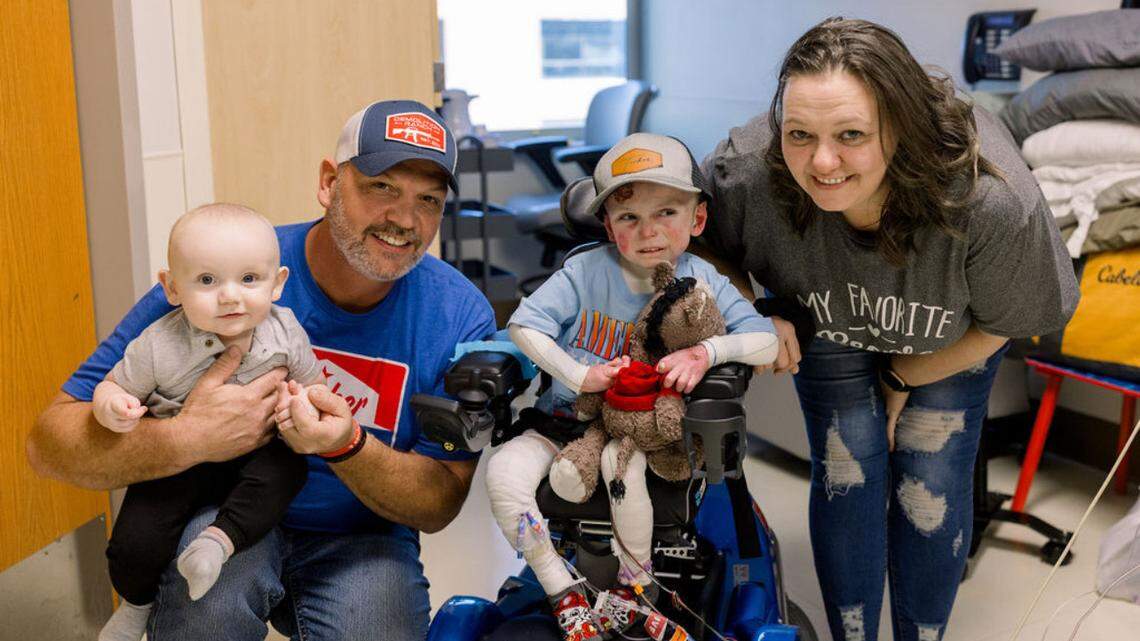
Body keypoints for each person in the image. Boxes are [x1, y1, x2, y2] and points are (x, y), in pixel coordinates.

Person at [28, 100, 496, 641]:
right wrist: (188, 438)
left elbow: (439, 501)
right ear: (328, 182)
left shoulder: (459, 314)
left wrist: (346, 445)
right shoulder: (229, 268)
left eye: (428, 201)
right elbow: (49, 444)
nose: (404, 220)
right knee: (205, 610)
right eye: (382, 187)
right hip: (217, 511)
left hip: (363, 536)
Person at [700, 18, 1079, 641]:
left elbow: (1006, 322)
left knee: (931, 477)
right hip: (829, 318)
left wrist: (905, 373)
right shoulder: (749, 172)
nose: (822, 162)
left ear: (899, 130)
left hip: (952, 333)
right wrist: (750, 308)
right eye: (800, 135)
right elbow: (703, 246)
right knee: (847, 468)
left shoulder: (989, 198)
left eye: (852, 134)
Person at [488, 133, 779, 641]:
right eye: (628, 218)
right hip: (562, 424)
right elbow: (525, 326)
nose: (649, 232)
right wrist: (580, 376)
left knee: (623, 468)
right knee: (503, 475)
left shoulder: (698, 279)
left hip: (642, 435)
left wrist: (705, 352)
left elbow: (765, 342)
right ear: (607, 225)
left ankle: (633, 590)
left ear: (697, 220)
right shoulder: (583, 272)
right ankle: (564, 593)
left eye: (667, 212)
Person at [95, 204, 323, 641]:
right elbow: (111, 386)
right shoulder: (159, 345)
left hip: (258, 457)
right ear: (172, 287)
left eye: (249, 279)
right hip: (179, 458)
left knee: (287, 468)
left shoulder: (285, 331)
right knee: (134, 544)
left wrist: (303, 408)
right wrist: (113, 407)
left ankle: (216, 543)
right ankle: (134, 605)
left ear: (277, 285)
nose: (230, 296)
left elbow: (311, 383)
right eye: (206, 281)